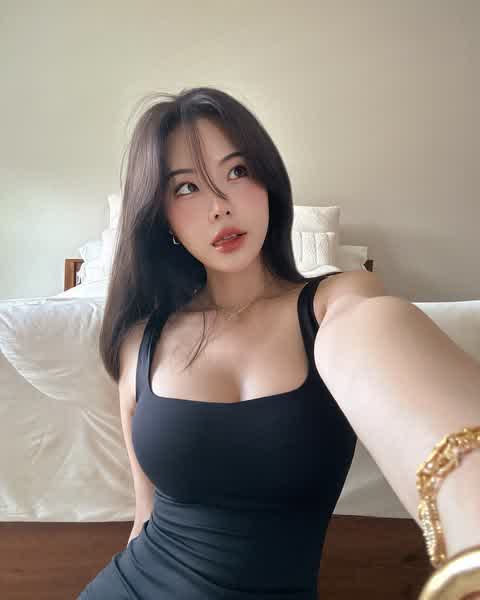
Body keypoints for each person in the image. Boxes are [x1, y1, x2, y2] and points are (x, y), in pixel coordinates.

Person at [78, 87, 480, 599]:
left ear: (269, 183)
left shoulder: (337, 302)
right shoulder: (141, 342)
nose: (220, 206)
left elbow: (379, 338)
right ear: (163, 218)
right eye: (186, 188)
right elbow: (145, 517)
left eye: (237, 171)